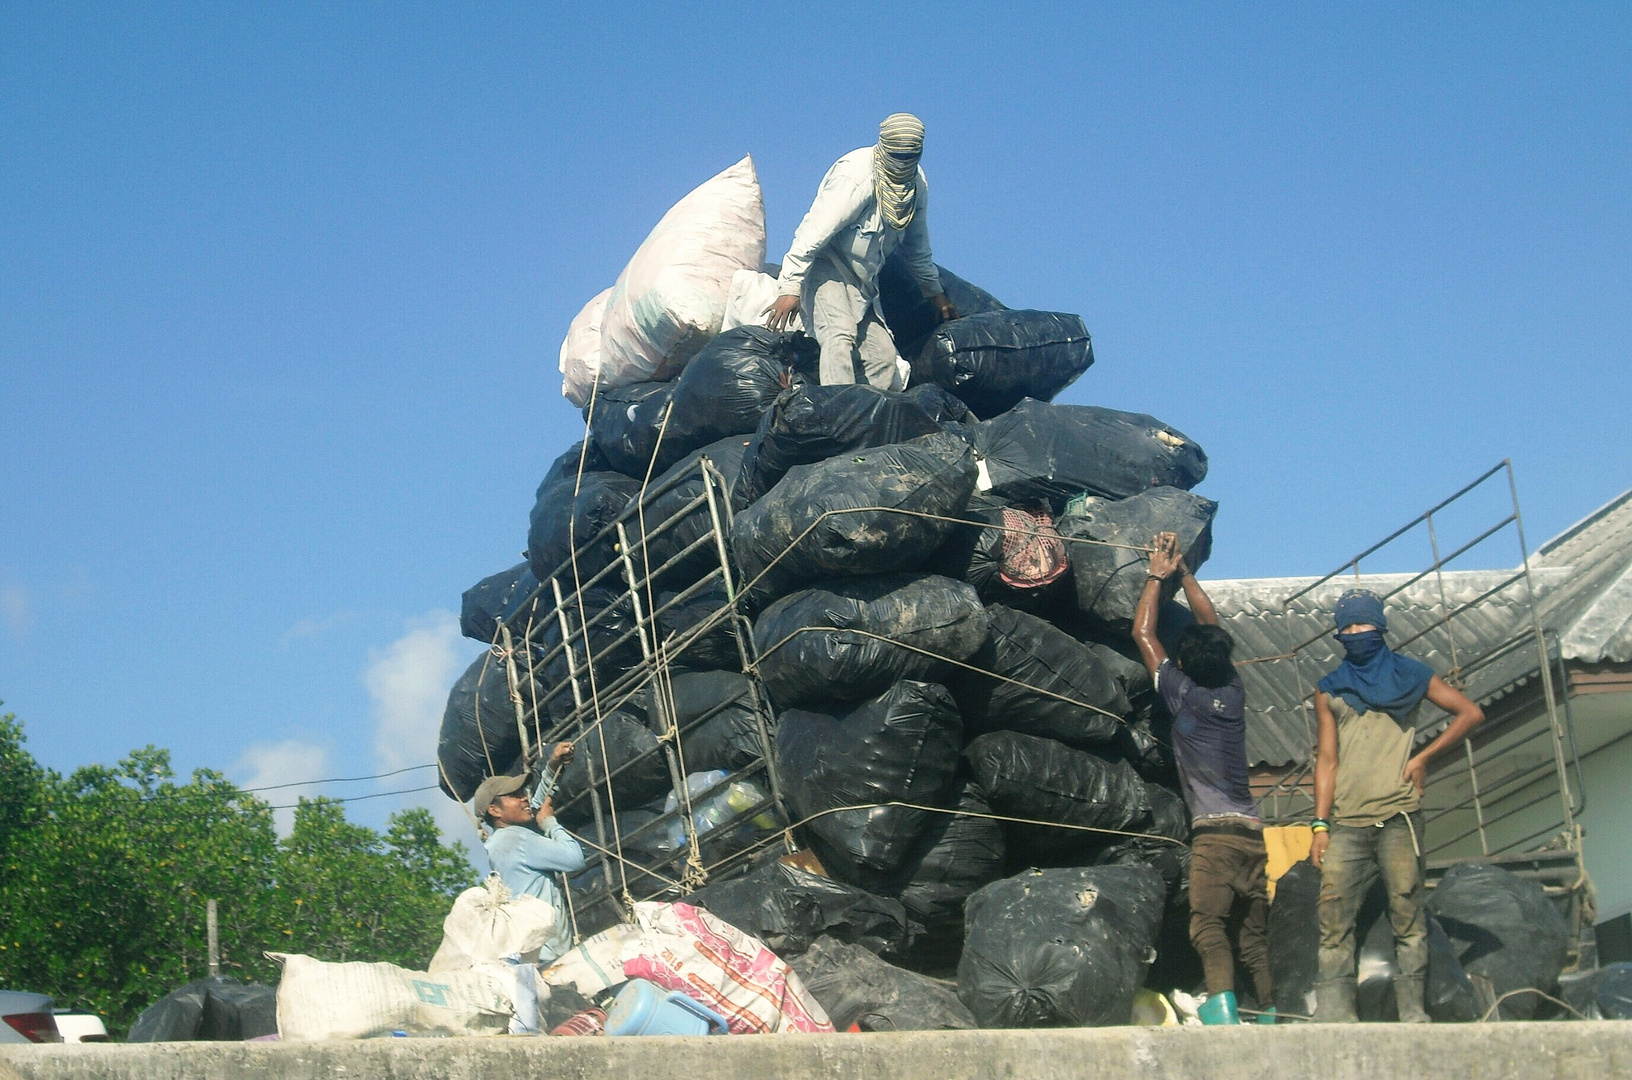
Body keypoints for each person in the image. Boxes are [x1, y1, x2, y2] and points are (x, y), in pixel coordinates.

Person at [1309, 589, 1484, 1023]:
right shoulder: (1330, 689)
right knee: (1333, 920)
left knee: (1408, 913)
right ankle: (1335, 1015)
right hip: (1346, 824)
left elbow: (1469, 713)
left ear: (1380, 627)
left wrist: (1423, 757)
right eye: (1346, 628)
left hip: (1398, 818)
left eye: (1362, 625)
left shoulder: (1412, 675)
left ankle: (1412, 1014)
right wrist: (1319, 824)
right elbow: (1326, 760)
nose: (1355, 634)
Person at [1132, 532, 1272, 1026]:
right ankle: (1270, 1011)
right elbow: (1211, 625)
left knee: (1207, 926)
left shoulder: (1181, 694)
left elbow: (1144, 636)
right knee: (1252, 935)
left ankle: (1223, 1008)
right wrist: (1186, 573)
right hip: (1255, 836)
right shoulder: (1232, 692)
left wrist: (1155, 574)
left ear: (1185, 663)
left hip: (1213, 836)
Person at [765, 113, 958, 388]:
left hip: (865, 282)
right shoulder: (856, 175)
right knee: (839, 336)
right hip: (828, 267)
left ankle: (867, 421)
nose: (903, 162)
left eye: (910, 156)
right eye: (897, 155)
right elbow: (812, 232)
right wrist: (790, 287)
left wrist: (935, 294)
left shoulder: (916, 186)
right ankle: (839, 413)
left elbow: (916, 248)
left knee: (882, 357)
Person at [473, 740, 585, 965]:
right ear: (494, 810)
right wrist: (550, 823)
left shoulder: (502, 840)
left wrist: (553, 768)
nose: (523, 798)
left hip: (537, 954)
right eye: (514, 796)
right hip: (548, 956)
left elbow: (536, 804)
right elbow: (575, 858)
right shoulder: (516, 839)